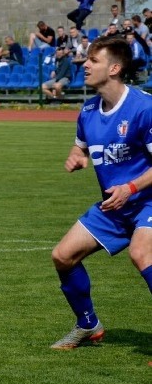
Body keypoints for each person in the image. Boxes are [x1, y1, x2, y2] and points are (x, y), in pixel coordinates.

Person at [50, 36, 152, 350]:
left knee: (141, 253)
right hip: (114, 207)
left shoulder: (143, 108)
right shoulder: (90, 109)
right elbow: (80, 145)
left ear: (115, 68)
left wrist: (131, 187)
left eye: (93, 61)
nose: (85, 65)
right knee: (62, 257)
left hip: (147, 199)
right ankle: (87, 325)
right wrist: (76, 157)